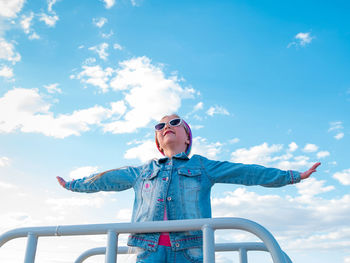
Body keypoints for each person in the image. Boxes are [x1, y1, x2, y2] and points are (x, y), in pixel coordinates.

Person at [57, 113, 321, 263]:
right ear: (158, 142)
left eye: (174, 123)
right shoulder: (142, 171)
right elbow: (105, 179)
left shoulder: (202, 166)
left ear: (187, 137)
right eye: (160, 126)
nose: (166, 127)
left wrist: (292, 176)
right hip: (147, 250)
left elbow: (246, 172)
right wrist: (73, 185)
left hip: (191, 251)